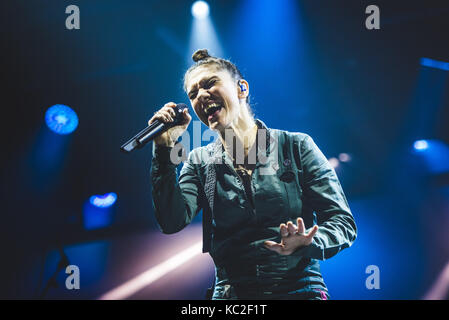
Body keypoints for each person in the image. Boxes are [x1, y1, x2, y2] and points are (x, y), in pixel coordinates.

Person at [148, 49, 357, 300]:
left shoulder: (295, 146)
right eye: (193, 94)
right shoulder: (199, 162)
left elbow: (342, 222)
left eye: (210, 84)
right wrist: (163, 150)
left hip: (299, 289)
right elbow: (171, 221)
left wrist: (311, 242)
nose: (201, 95)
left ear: (241, 89)